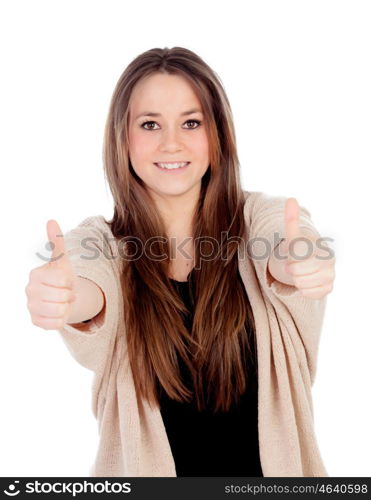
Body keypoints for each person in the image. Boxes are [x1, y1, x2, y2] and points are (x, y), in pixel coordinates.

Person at [25, 46, 336, 477]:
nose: (171, 142)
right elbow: (86, 280)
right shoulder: (101, 243)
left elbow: (284, 243)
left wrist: (297, 262)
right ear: (123, 137)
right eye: (150, 124)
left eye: (191, 123)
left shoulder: (261, 218)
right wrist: (67, 298)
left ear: (218, 134)